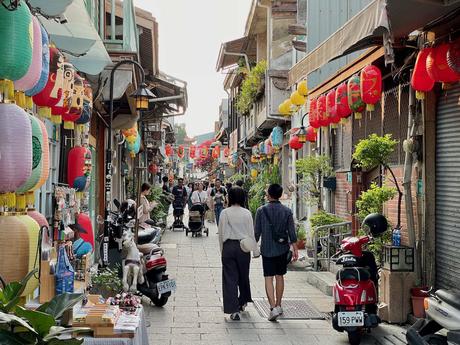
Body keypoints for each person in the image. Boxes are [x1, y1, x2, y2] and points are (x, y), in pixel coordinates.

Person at [254, 183, 298, 321]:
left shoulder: (261, 211)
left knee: (268, 278)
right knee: (280, 276)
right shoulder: (287, 211)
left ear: (269, 195)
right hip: (282, 249)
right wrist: (295, 249)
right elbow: (292, 232)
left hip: (266, 250)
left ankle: (272, 308)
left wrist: (252, 247)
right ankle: (279, 305)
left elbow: (256, 233)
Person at [218, 187, 255, 321]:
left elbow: (221, 233)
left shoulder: (225, 213)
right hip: (243, 247)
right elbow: (251, 233)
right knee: (243, 276)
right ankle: (243, 301)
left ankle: (234, 310)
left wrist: (222, 250)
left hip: (229, 246)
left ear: (230, 197)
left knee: (230, 278)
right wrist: (255, 250)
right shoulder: (247, 213)